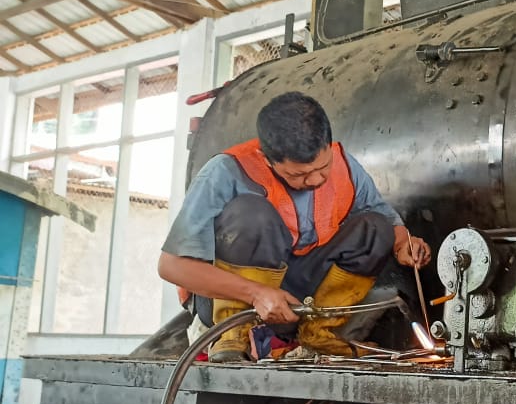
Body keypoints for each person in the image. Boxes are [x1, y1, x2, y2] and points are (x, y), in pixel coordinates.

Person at [158, 91, 431, 362]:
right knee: (253, 214)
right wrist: (255, 294)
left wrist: (402, 242)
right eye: (299, 174)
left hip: (295, 301)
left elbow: (382, 214)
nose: (314, 180)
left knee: (376, 228)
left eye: (322, 167)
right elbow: (171, 265)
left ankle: (317, 334)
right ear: (268, 160)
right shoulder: (225, 172)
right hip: (230, 298)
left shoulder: (344, 166)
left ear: (328, 144)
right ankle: (234, 334)